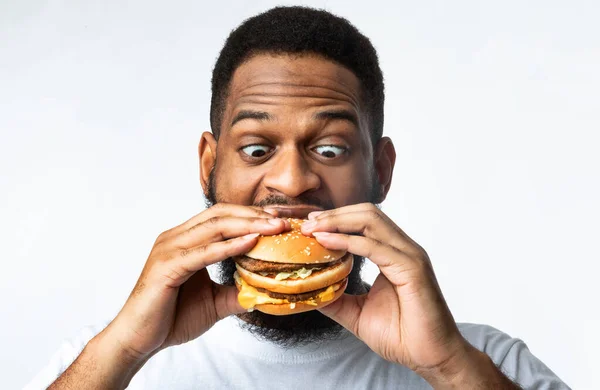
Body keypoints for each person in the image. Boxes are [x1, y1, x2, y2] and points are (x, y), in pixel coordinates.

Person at [27, 6, 569, 389]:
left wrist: (449, 367)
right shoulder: (103, 363)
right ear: (209, 166)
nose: (291, 182)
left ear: (380, 172)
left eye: (331, 149)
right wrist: (123, 351)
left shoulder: (487, 363)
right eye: (257, 148)